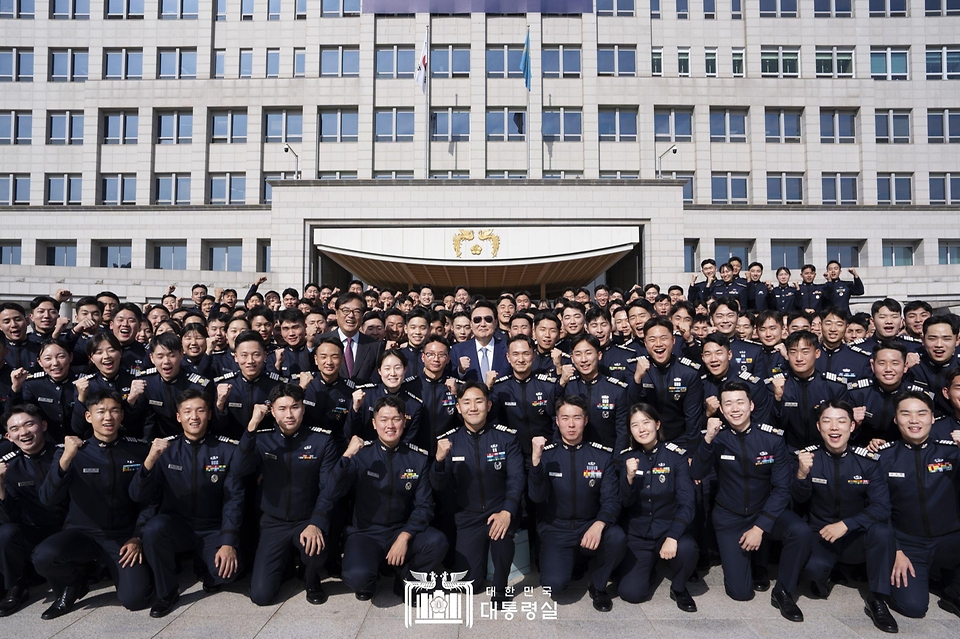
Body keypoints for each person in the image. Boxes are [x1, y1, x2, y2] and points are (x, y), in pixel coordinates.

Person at [691, 381, 812, 622]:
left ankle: (784, 592)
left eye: (740, 402)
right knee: (740, 593)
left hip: (763, 512)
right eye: (728, 404)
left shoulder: (772, 439)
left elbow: (781, 489)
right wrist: (707, 440)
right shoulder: (716, 438)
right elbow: (696, 474)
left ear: (751, 405)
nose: (735, 408)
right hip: (729, 516)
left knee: (800, 531)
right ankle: (753, 563)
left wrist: (759, 528)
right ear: (722, 411)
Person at [34, 390, 154, 619]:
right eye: (101, 412)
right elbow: (48, 498)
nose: (108, 417)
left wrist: (137, 536)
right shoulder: (72, 452)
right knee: (44, 556)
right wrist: (66, 460)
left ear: (121, 416)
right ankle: (74, 584)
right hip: (83, 533)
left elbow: (150, 499)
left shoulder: (138, 450)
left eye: (114, 411)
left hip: (121, 537)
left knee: (136, 599)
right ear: (88, 416)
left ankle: (111, 569)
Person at [320, 395, 448, 601]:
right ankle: (372, 572)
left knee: (437, 542)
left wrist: (405, 536)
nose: (390, 425)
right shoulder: (361, 455)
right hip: (366, 532)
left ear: (404, 422)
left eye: (396, 419)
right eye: (384, 419)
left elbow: (425, 506)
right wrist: (346, 456)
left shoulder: (418, 458)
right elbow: (331, 490)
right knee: (357, 577)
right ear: (374, 423)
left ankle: (406, 579)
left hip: (401, 528)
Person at [130, 390, 244, 617]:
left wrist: (228, 542)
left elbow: (234, 499)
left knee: (227, 574)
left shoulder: (228, 449)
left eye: (200, 411)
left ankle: (206, 566)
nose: (194, 417)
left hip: (213, 526)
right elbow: (138, 495)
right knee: (154, 529)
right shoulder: (165, 450)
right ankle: (168, 592)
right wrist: (150, 460)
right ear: (178, 417)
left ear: (210, 414)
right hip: (177, 524)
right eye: (187, 412)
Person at [792, 400, 898, 633]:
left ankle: (877, 599)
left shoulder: (867, 461)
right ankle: (826, 576)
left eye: (841, 421)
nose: (834, 427)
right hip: (821, 534)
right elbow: (798, 501)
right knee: (812, 571)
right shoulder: (808, 458)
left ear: (852, 426)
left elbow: (882, 507)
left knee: (882, 531)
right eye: (827, 421)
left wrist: (847, 524)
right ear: (819, 427)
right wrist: (801, 475)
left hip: (854, 536)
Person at [240, 384, 340, 606]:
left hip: (307, 519)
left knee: (315, 549)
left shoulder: (322, 441)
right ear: (272, 412)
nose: (289, 414)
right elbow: (240, 468)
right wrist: (252, 426)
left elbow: (328, 489)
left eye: (294, 407)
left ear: (303, 408)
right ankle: (284, 565)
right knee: (261, 596)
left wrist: (316, 522)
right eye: (282, 408)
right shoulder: (262, 439)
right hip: (274, 522)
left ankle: (311, 578)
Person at [528, 395, 626, 612]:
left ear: (586, 420)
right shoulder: (546, 455)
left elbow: (611, 499)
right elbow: (536, 497)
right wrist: (535, 463)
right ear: (557, 421)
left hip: (588, 525)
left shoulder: (602, 456)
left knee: (617, 536)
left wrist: (599, 524)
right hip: (556, 529)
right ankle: (571, 561)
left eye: (576, 418)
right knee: (554, 586)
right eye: (565, 418)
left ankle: (598, 585)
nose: (571, 424)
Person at [432, 382, 524, 607]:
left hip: (499, 510)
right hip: (467, 516)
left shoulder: (507, 438)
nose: (473, 407)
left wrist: (507, 510)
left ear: (489, 405)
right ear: (459, 408)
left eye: (479, 401)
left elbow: (516, 479)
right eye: (467, 402)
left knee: (502, 540)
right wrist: (439, 461)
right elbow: (438, 485)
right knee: (469, 585)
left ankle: (501, 588)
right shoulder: (449, 441)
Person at [879, 391, 960, 619]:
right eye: (906, 414)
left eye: (921, 413)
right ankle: (926, 574)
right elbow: (878, 509)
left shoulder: (952, 451)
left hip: (951, 539)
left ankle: (951, 590)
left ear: (933, 418)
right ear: (896, 419)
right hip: (908, 544)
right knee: (913, 608)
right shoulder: (883, 458)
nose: (914, 420)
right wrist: (894, 549)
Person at [617, 404, 698, 611]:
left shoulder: (676, 456)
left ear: (657, 424)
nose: (642, 429)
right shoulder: (626, 458)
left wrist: (672, 536)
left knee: (687, 548)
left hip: (668, 529)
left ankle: (679, 587)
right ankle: (649, 567)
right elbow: (624, 503)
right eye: (635, 425)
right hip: (639, 534)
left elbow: (687, 503)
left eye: (646, 422)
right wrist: (629, 478)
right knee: (631, 593)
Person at [0, 405, 68, 617]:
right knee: (6, 532)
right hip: (35, 531)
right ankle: (17, 585)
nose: (24, 432)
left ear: (43, 425)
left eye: (29, 424)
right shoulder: (8, 467)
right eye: (15, 428)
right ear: (9, 436)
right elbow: (10, 515)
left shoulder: (64, 453)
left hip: (70, 527)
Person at [632, 318, 705, 449]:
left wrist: (692, 452)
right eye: (652, 339)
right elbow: (631, 408)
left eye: (664, 338)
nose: (658, 344)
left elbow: (692, 419)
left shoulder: (688, 372)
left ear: (673, 341)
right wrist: (637, 379)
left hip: (679, 441)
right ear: (645, 343)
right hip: (644, 443)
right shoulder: (635, 368)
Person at [771, 330, 849, 450]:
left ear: (817, 353)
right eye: (793, 352)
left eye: (805, 352)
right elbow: (774, 426)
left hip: (825, 451)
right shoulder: (777, 385)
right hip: (788, 452)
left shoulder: (834, 386)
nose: (799, 358)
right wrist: (777, 399)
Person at [134, 332, 213, 441]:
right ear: (152, 358)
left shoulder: (199, 385)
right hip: (161, 442)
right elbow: (144, 421)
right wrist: (131, 401)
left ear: (181, 354)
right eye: (160, 356)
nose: (166, 361)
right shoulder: (146, 382)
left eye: (172, 355)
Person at [560, 334, 629, 452]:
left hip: (608, 459)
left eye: (588, 353)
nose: (583, 359)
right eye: (578, 354)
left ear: (599, 355)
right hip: (572, 456)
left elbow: (622, 432)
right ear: (572, 359)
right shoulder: (566, 387)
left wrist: (617, 463)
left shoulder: (617, 390)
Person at [214, 331, 286, 438]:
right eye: (244, 355)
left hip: (266, 446)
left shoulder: (277, 385)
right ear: (236, 357)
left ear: (265, 356)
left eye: (256, 355)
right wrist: (220, 403)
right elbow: (216, 427)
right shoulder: (222, 385)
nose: (250, 361)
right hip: (233, 446)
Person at [349, 349, 422, 445]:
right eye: (387, 368)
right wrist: (355, 409)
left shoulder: (414, 405)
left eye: (397, 368)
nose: (393, 373)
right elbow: (350, 432)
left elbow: (409, 441)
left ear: (405, 369)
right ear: (379, 371)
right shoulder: (365, 396)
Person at [9, 341, 76, 443]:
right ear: (39, 362)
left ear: (70, 357)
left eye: (61, 357)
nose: (55, 363)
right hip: (47, 444)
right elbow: (15, 413)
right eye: (48, 359)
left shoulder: (82, 382)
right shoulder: (33, 384)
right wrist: (16, 387)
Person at [319, 293, 382, 385]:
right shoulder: (321, 341)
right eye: (345, 310)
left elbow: (376, 380)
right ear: (336, 313)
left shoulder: (375, 345)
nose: (351, 315)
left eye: (356, 311)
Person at [909, 315, 960, 417]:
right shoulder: (911, 367)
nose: (939, 344)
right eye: (932, 338)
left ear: (957, 340)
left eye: (946, 339)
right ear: (923, 340)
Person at [451, 301, 508, 383]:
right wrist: (460, 371)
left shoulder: (507, 348)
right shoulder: (457, 350)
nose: (483, 324)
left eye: (488, 319)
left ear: (495, 322)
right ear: (471, 324)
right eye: (477, 320)